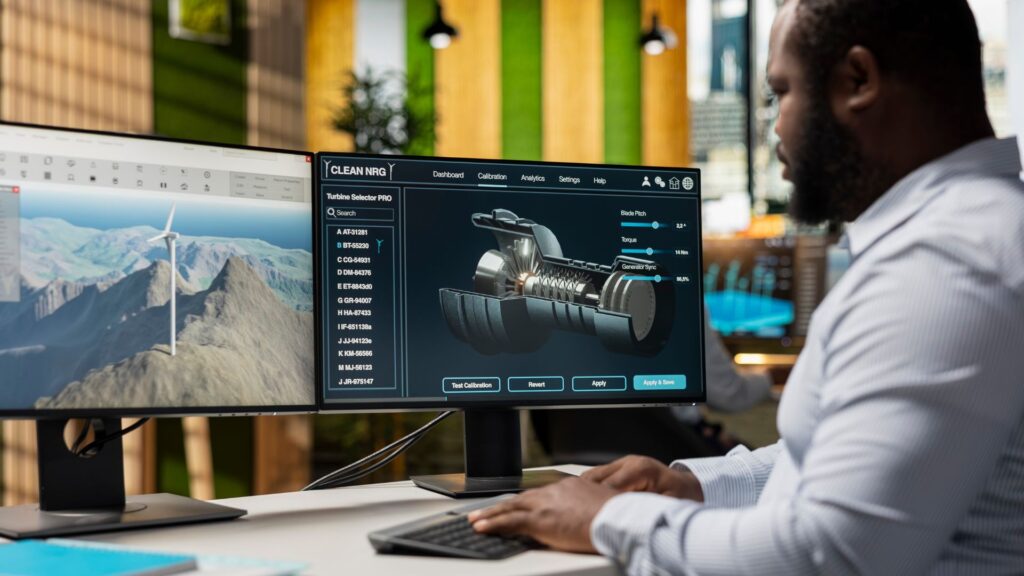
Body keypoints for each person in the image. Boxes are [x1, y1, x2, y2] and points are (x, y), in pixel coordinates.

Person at [469, 1, 1024, 573]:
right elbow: (842, 465)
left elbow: (824, 556)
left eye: (781, 93)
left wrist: (603, 520)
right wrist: (690, 483)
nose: (774, 126)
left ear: (858, 81)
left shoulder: (947, 266)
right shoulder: (967, 236)